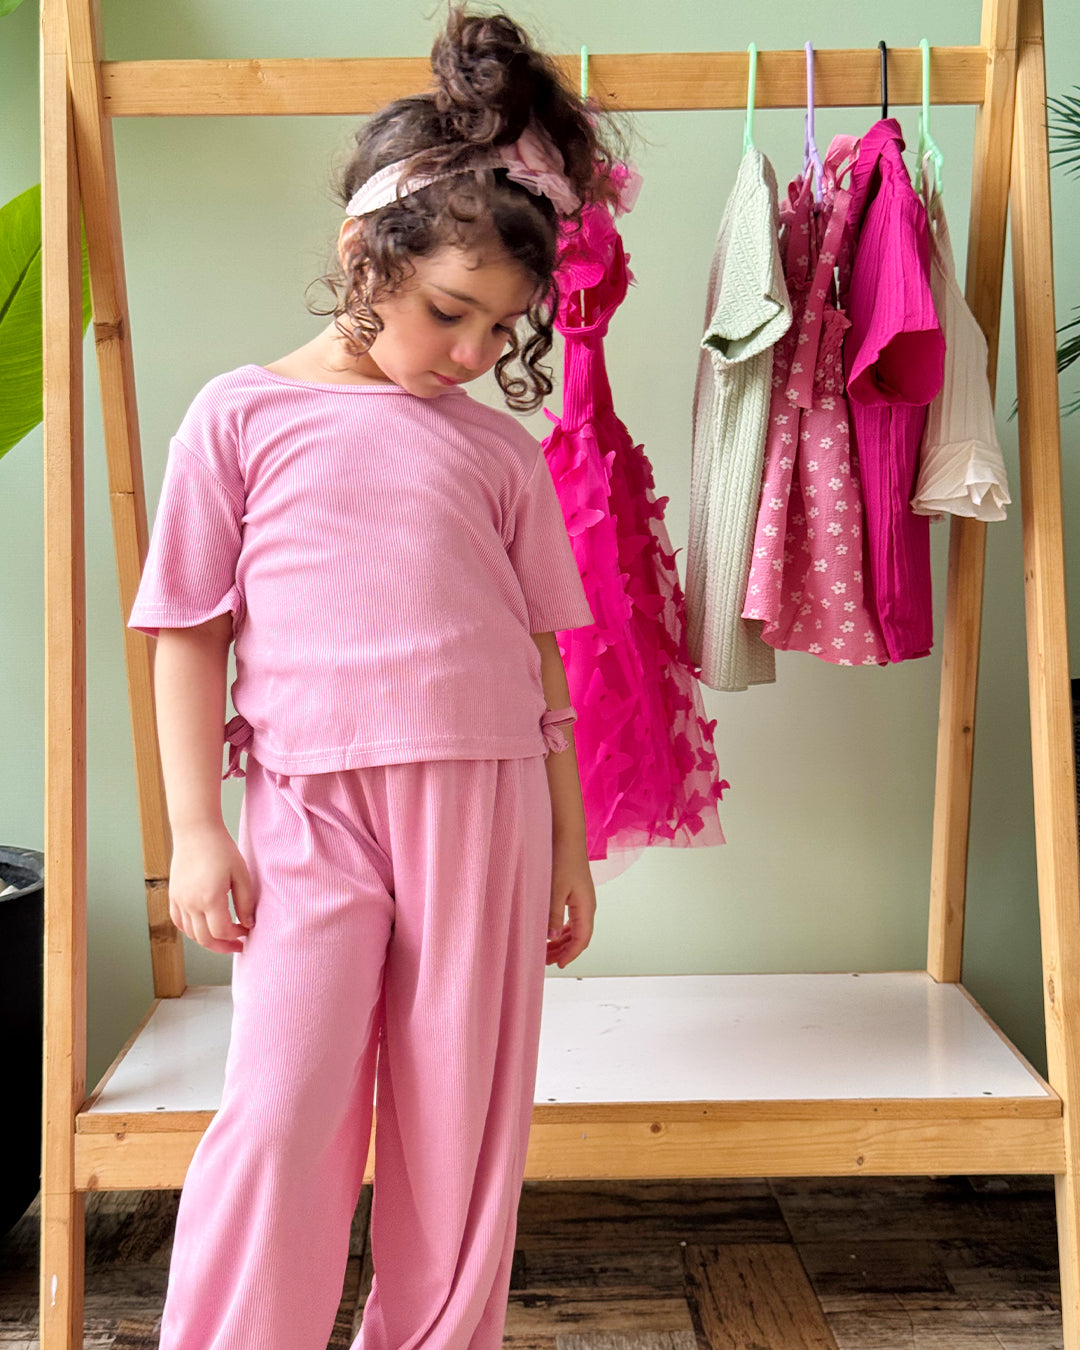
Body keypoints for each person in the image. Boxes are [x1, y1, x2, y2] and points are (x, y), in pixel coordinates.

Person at [128, 10, 620, 1348]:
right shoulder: (237, 417)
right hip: (305, 807)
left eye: (498, 329)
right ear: (366, 255)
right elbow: (186, 628)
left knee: (460, 1122)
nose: (469, 353)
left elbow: (542, 661)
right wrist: (192, 828)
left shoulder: (500, 456)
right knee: (282, 1105)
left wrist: (570, 840)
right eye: (448, 312)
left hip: (485, 808)